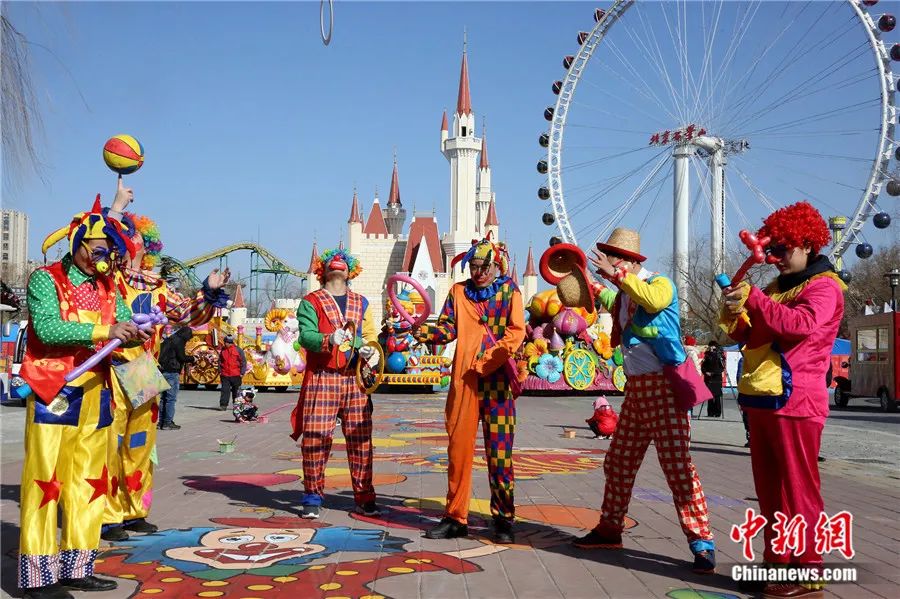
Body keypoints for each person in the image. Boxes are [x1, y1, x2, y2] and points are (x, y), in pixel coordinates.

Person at [17, 197, 143, 599]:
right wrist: (106, 332)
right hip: (54, 391)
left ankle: (77, 567)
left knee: (89, 484)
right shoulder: (46, 279)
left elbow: (123, 324)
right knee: (45, 483)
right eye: (99, 251)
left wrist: (134, 332)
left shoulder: (108, 286)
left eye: (110, 253)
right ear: (78, 243)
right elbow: (48, 329)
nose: (104, 260)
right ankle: (38, 578)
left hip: (96, 394)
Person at [574, 227, 716, 574]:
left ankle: (702, 542)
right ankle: (610, 528)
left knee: (677, 468)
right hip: (637, 392)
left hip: (665, 389)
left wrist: (615, 276)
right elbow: (612, 300)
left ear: (627, 261)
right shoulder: (624, 294)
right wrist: (584, 281)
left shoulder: (659, 284)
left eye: (611, 259)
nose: (607, 265)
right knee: (619, 462)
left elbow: (651, 302)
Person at [721, 201, 845, 598]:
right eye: (772, 250)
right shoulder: (777, 288)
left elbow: (800, 326)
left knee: (799, 488)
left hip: (797, 400)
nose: (775, 258)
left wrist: (755, 300)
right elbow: (750, 335)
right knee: (770, 490)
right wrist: (735, 311)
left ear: (807, 244)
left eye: (783, 249)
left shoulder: (825, 287)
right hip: (762, 398)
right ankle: (777, 561)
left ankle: (808, 568)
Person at [101, 183, 230, 542]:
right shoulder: (108, 279)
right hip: (109, 368)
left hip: (143, 370)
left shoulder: (157, 287)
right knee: (109, 443)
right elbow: (98, 240)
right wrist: (116, 207)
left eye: (136, 236)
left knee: (140, 444)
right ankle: (108, 515)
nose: (132, 241)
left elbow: (189, 314)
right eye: (126, 234)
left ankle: (134, 510)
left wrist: (208, 289)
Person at [415, 235, 526, 544]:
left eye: (484, 267)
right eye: (473, 267)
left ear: (496, 266)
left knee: (500, 455)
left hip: (498, 383)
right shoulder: (458, 291)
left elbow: (516, 332)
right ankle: (455, 517)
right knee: (458, 451)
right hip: (464, 381)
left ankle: (503, 519)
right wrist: (422, 331)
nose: (478, 273)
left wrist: (488, 360)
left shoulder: (509, 292)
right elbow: (448, 328)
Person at [289, 248, 380, 519]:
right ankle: (312, 496)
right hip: (323, 376)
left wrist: (370, 349)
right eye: (331, 261)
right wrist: (328, 339)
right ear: (323, 270)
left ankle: (364, 497)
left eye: (343, 261)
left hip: (355, 379)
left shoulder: (361, 302)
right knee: (315, 438)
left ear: (350, 271)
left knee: (361, 440)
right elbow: (305, 336)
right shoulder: (311, 302)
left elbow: (371, 334)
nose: (338, 262)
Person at [158, 326, 196, 430]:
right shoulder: (179, 341)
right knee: (171, 399)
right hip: (172, 371)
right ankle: (167, 423)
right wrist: (192, 358)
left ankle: (161, 422)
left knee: (163, 398)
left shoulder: (169, 339)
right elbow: (181, 357)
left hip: (162, 370)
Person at [218, 335, 246, 410]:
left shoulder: (238, 350)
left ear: (230, 343)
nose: (225, 344)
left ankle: (236, 406)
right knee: (225, 390)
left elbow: (243, 362)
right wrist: (220, 371)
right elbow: (220, 361)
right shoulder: (223, 350)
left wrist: (242, 373)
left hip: (236, 374)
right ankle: (223, 405)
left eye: (226, 342)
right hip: (225, 374)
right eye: (225, 342)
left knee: (236, 391)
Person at [701, 340, 726, 418]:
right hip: (708, 378)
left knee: (717, 395)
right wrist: (705, 372)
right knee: (709, 395)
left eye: (712, 346)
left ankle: (717, 412)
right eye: (710, 346)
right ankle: (710, 412)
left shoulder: (719, 355)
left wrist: (713, 373)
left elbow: (721, 368)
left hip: (716, 378)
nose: (711, 347)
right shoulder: (707, 355)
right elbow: (703, 366)